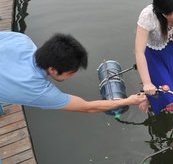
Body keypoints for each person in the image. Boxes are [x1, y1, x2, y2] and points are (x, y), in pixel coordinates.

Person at [0, 32, 146, 113]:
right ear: (52, 70)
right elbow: (87, 107)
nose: (73, 76)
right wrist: (129, 101)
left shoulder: (21, 39)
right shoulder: (37, 90)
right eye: (70, 73)